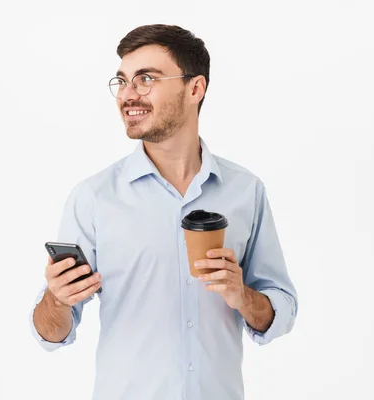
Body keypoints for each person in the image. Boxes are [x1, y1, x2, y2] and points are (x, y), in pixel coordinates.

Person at [29, 24, 298, 400]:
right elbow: (52, 333)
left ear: (195, 88)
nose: (128, 94)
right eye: (122, 81)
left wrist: (243, 296)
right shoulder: (93, 197)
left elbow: (282, 308)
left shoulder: (245, 191)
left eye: (146, 79)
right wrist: (56, 299)